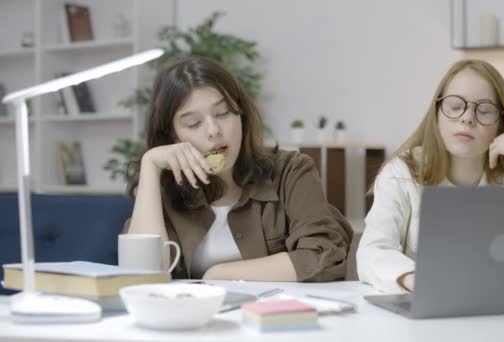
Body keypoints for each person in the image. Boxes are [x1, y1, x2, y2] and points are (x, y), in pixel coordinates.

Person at [125, 56, 352, 282]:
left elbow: (324, 256)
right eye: (193, 123)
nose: (213, 130)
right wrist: (150, 165)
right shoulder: (160, 187)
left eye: (223, 113)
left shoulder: (290, 171)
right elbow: (140, 278)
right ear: (172, 136)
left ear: (240, 114)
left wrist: (219, 274)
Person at [356, 59, 504, 293]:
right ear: (437, 113)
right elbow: (372, 252)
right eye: (455, 106)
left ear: (501, 124)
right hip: (424, 314)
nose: (468, 118)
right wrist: (417, 280)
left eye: (484, 109)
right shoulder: (401, 173)